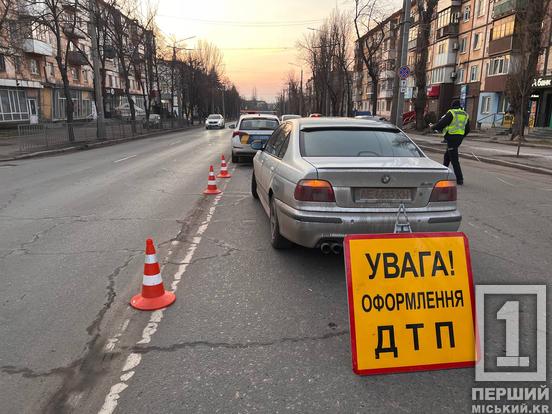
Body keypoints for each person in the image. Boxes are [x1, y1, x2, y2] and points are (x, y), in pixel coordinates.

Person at [430, 100, 470, 185]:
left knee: (454, 159)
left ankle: (460, 179)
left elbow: (442, 123)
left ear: (452, 106)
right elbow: (468, 129)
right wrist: (461, 136)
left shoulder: (452, 113)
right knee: (447, 156)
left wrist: (433, 127)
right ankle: (443, 175)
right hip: (459, 138)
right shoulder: (465, 114)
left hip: (451, 137)